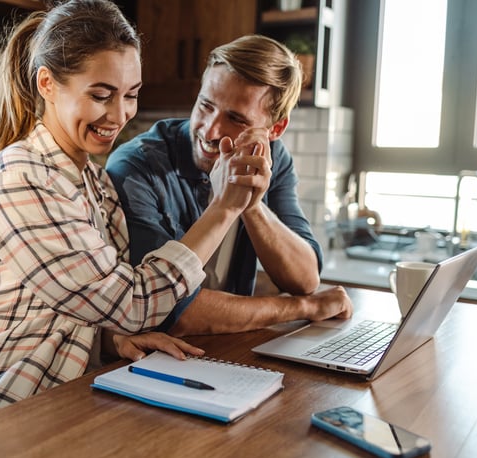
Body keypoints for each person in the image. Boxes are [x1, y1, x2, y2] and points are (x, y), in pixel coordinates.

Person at [0, 0, 258, 454]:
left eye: (131, 94)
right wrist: (223, 209)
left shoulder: (92, 182)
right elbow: (133, 302)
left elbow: (67, 310)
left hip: (30, 424)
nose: (119, 115)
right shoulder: (19, 177)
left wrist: (113, 339)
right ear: (48, 85)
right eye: (101, 95)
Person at [106, 34, 353, 336]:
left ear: (275, 129)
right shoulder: (136, 166)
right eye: (205, 105)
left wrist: (252, 205)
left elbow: (305, 279)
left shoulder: (271, 159)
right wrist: (305, 308)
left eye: (236, 119)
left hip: (229, 350)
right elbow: (166, 310)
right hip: (149, 360)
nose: (211, 130)